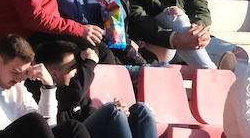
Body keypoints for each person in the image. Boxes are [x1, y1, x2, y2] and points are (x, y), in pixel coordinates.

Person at [0, 35, 89, 138]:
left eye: (23, 73)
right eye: (15, 72)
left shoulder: (17, 86)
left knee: (73, 128)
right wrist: (17, 127)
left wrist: (48, 86)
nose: (19, 79)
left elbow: (48, 126)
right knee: (34, 121)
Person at [28, 39, 157, 138]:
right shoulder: (43, 92)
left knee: (142, 110)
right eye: (72, 68)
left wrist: (122, 114)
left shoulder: (73, 87)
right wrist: (90, 63)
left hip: (88, 132)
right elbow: (75, 94)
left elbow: (88, 112)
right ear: (53, 74)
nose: (76, 71)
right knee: (112, 110)